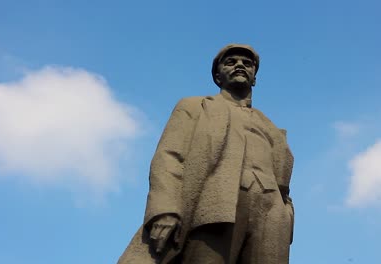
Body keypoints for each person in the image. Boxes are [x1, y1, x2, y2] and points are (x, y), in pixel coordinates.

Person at [118, 44, 294, 264]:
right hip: (218, 205)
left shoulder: (271, 128)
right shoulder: (194, 107)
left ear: (255, 78)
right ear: (218, 76)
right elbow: (169, 157)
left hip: (272, 212)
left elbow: (283, 183)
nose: (240, 65)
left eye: (247, 63)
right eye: (231, 62)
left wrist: (286, 214)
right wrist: (164, 209)